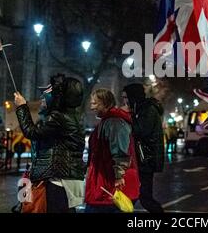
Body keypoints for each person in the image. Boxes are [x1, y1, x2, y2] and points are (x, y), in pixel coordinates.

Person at [14, 74, 85, 213]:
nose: (41, 101)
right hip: (69, 179)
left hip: (58, 181)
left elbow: (31, 132)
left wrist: (22, 107)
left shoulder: (58, 117)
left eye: (44, 98)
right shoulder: (72, 116)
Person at [85, 88, 140, 213]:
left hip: (110, 183)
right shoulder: (109, 121)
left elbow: (121, 151)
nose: (91, 107)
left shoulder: (114, 122)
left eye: (94, 103)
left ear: (105, 103)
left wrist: (119, 176)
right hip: (105, 182)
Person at [123, 83, 164, 213]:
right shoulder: (140, 109)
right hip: (141, 159)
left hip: (145, 159)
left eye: (126, 97)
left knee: (144, 198)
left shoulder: (148, 110)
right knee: (134, 195)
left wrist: (127, 116)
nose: (124, 100)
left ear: (133, 97)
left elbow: (141, 130)